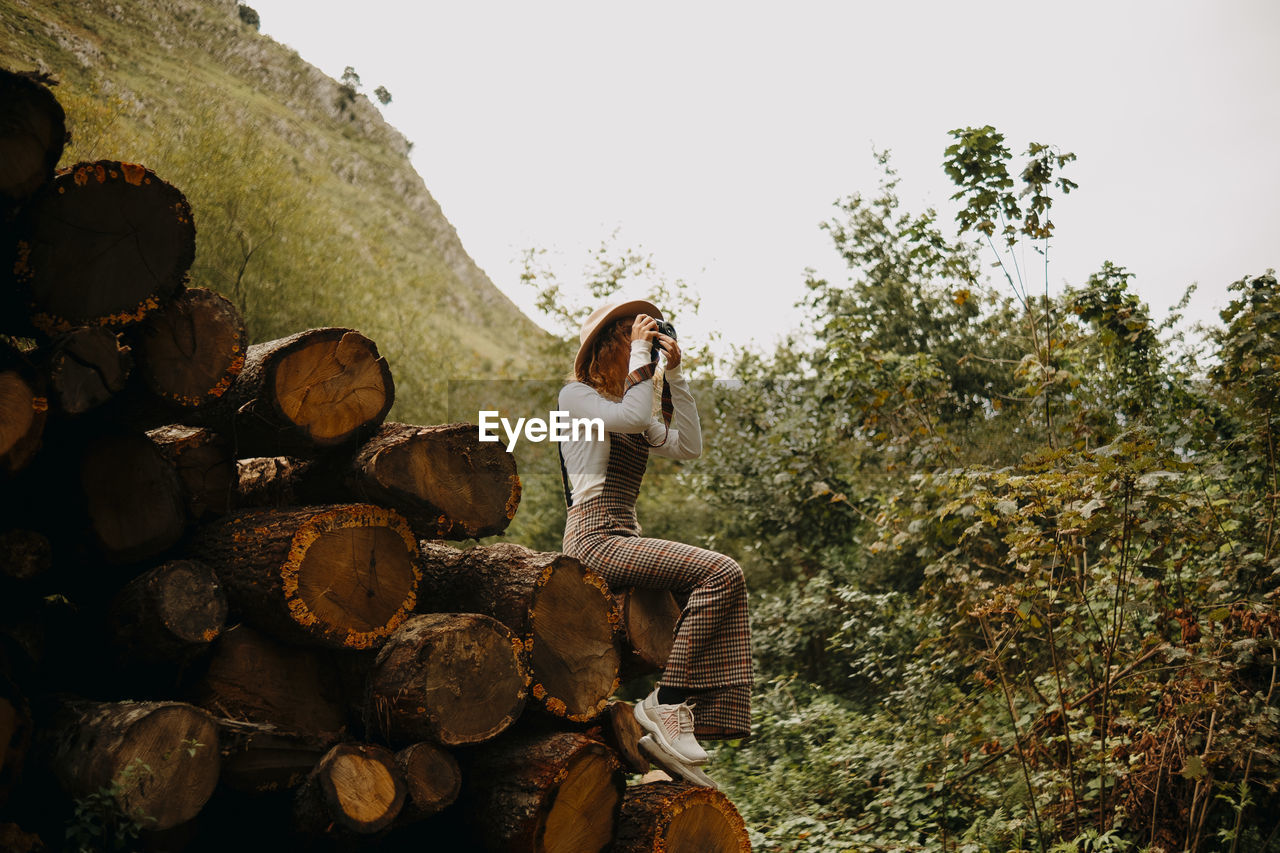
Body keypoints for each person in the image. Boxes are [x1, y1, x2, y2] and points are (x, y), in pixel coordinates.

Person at [558, 299, 752, 788]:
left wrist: (677, 375)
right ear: (606, 345)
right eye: (629, 331)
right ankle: (664, 706)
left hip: (622, 535)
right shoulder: (575, 397)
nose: (640, 337)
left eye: (642, 331)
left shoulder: (634, 403)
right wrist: (644, 361)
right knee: (721, 572)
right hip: (592, 537)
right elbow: (626, 415)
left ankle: (686, 713)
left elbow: (688, 446)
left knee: (712, 589)